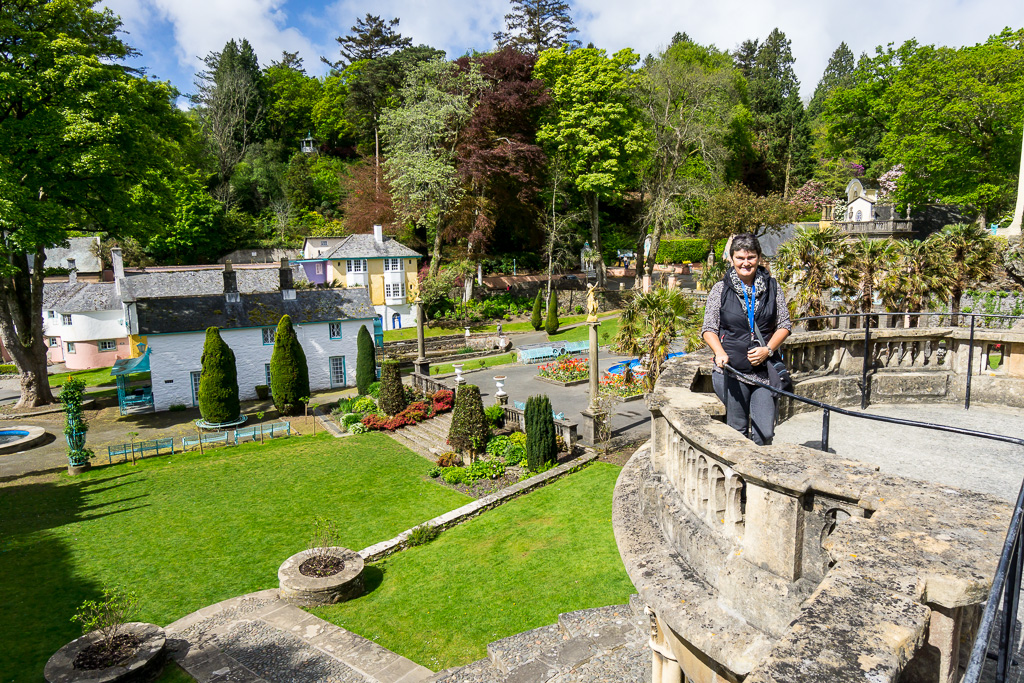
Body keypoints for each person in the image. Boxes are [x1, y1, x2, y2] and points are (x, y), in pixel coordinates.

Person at [701, 233, 791, 445]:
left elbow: (784, 325)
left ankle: (759, 470)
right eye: (740, 257)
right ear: (732, 259)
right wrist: (719, 352)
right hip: (732, 371)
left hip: (763, 372)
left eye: (750, 257)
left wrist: (767, 349)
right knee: (737, 431)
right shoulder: (720, 289)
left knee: (764, 433)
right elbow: (708, 328)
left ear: (759, 258)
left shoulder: (773, 288)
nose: (745, 262)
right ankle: (739, 476)